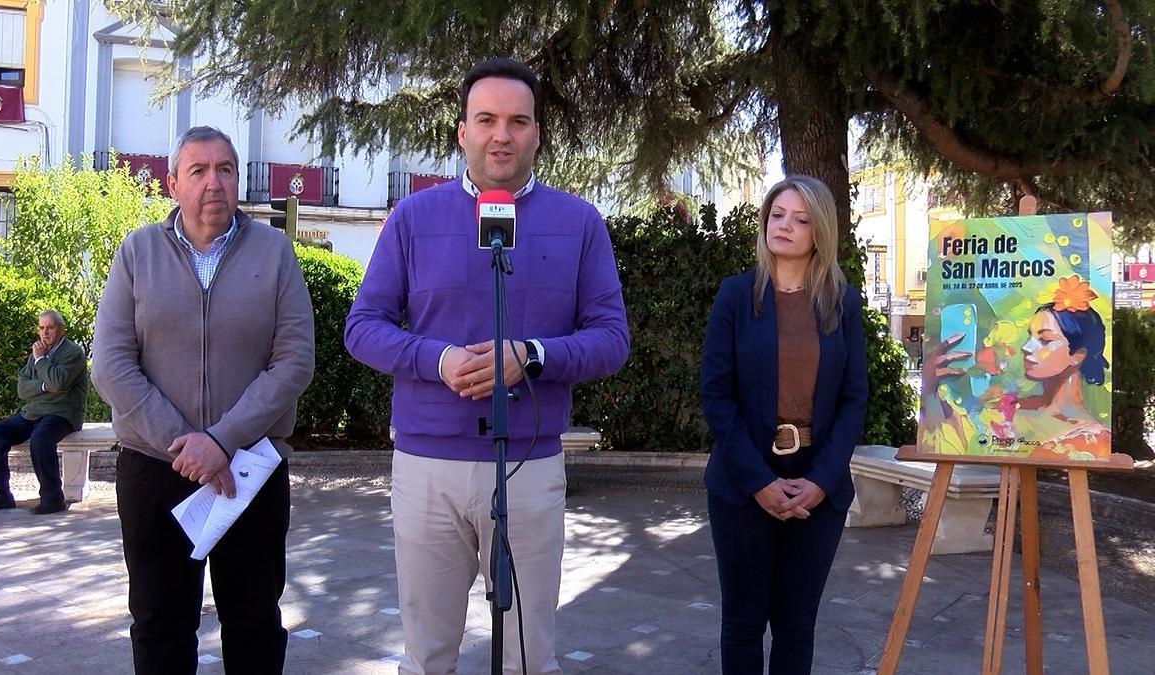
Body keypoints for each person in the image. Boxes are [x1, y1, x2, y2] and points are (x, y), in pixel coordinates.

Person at [345, 57, 629, 674]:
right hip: (426, 466)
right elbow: (361, 328)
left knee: (530, 655)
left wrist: (531, 357)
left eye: (518, 121)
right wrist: (436, 359)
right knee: (427, 656)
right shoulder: (412, 218)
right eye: (487, 120)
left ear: (536, 133)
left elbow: (611, 339)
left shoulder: (578, 223)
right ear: (461, 132)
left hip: (528, 464)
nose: (502, 134)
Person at [92, 126, 315, 674]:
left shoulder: (276, 252)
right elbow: (111, 363)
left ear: (238, 179)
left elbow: (294, 361)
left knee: (255, 623)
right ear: (173, 184)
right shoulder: (137, 253)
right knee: (160, 627)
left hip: (249, 471)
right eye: (198, 171)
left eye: (225, 170)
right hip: (154, 470)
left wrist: (222, 440)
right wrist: (185, 446)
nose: (213, 182)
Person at [699, 175, 868, 674]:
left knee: (797, 625)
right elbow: (716, 393)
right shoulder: (735, 296)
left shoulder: (841, 302)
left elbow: (854, 399)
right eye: (777, 215)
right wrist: (759, 482)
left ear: (820, 232)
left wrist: (821, 480)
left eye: (800, 219)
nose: (785, 226)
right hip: (741, 483)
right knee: (743, 624)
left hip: (818, 483)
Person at [922, 274, 1110, 461]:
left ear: (1078, 356)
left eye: (1044, 340)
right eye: (1030, 336)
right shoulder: (1006, 407)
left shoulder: (1094, 439)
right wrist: (930, 390)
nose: (1026, 347)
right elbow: (954, 446)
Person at [0, 309, 87, 515]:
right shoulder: (37, 351)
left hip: (62, 413)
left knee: (40, 439)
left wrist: (41, 361)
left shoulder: (72, 353)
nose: (44, 333)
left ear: (60, 330)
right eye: (41, 328)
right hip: (32, 412)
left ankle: (53, 499)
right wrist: (45, 387)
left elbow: (59, 382)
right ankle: (2, 495)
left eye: (50, 328)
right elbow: (22, 389)